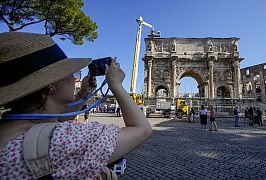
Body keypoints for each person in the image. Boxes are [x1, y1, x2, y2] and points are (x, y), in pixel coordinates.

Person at [0, 32, 152, 179]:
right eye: (72, 74)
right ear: (52, 84)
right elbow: (142, 130)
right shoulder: (63, 139)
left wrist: (82, 94)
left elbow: (57, 121)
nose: (75, 80)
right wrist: (116, 84)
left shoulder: (11, 126)